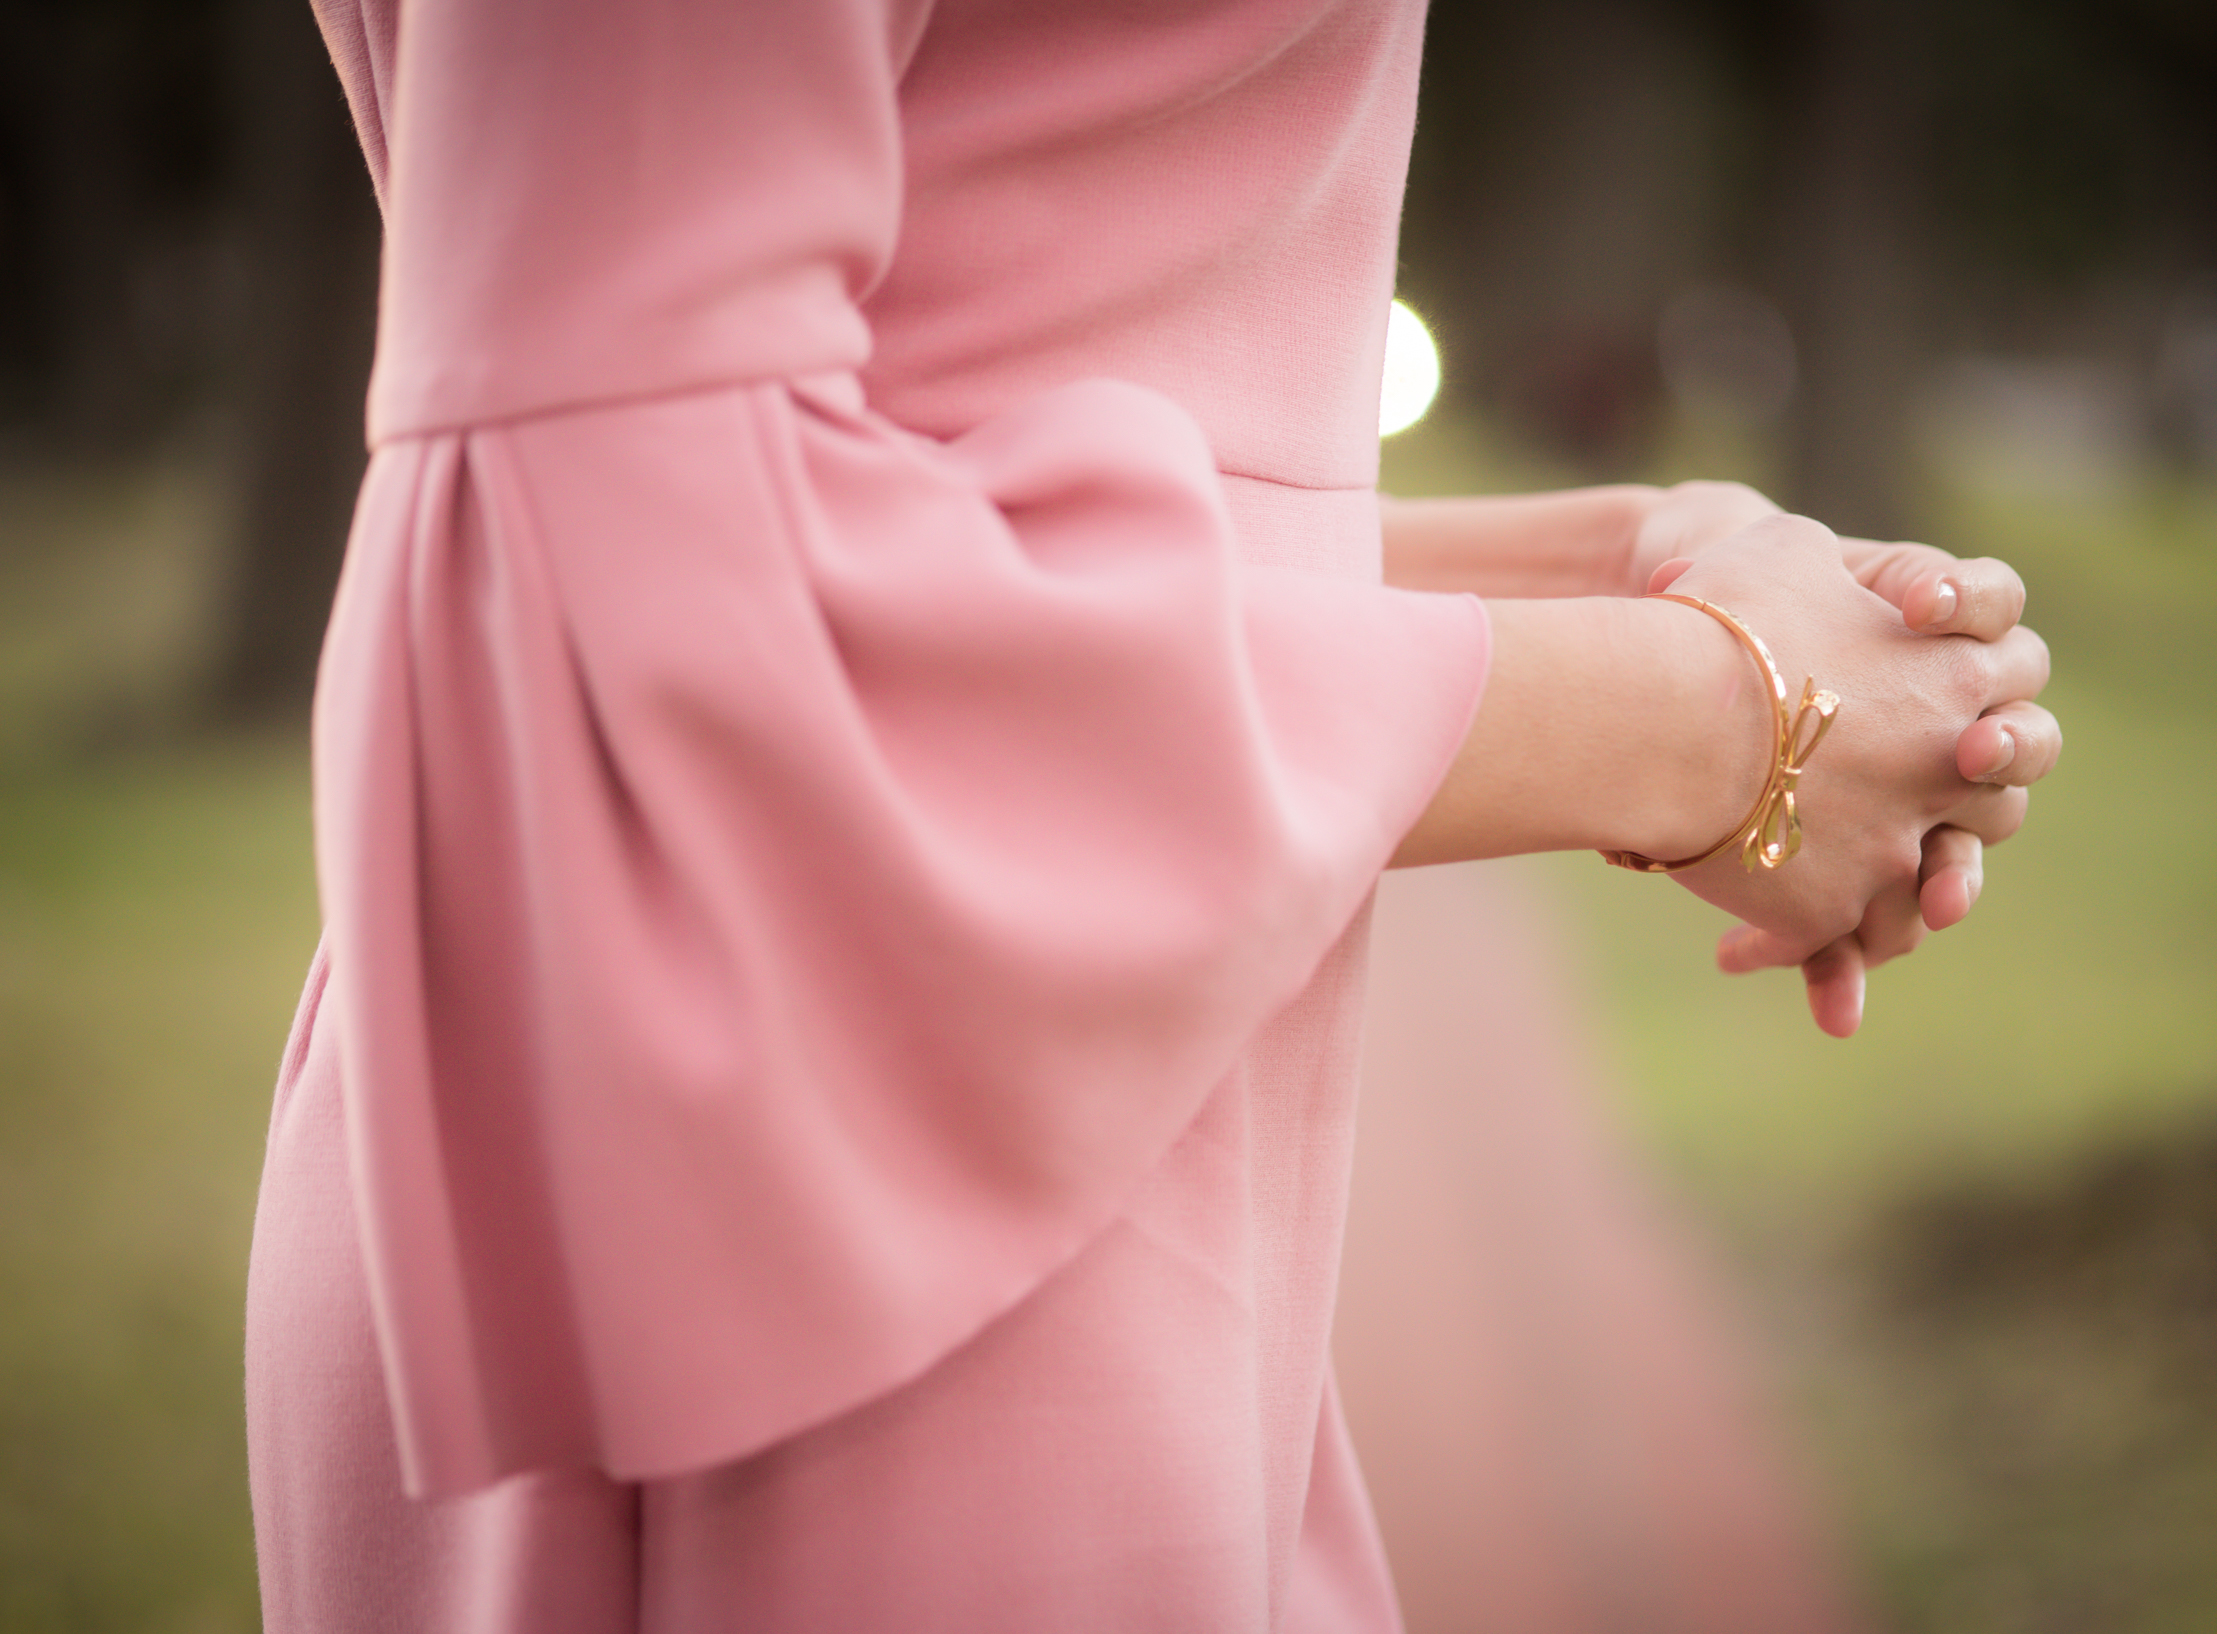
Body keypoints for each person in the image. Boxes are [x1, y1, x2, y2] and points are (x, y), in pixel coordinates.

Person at [246, 0, 2059, 1629]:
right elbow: (648, 569)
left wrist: (1636, 571)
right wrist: (1720, 719)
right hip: (839, 1222)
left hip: (1046, 1160)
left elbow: (905, 447)